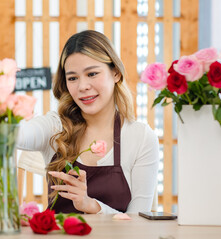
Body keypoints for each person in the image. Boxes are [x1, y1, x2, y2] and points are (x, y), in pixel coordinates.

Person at [17, 30, 159, 214]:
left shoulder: (141, 138)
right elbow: (16, 136)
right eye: (73, 78)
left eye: (92, 74)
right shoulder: (56, 127)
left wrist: (90, 205)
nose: (82, 86)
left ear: (115, 73)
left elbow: (138, 223)